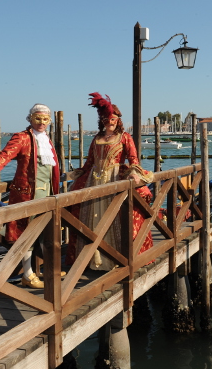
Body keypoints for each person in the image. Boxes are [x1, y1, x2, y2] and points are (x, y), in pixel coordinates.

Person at [0, 103, 60, 288]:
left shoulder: (47, 139)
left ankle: (45, 269)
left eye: (45, 119)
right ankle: (28, 274)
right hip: (27, 195)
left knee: (44, 232)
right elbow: (3, 158)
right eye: (37, 119)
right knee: (25, 234)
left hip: (47, 193)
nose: (41, 123)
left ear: (50, 121)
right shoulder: (22, 138)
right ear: (30, 119)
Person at [65, 92, 153, 270]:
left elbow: (133, 160)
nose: (110, 122)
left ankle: (115, 258)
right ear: (101, 120)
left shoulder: (125, 138)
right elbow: (88, 163)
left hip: (115, 181)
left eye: (112, 119)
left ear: (118, 120)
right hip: (94, 180)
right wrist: (70, 176)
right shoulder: (96, 139)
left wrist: (133, 173)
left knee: (115, 218)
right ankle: (91, 259)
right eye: (106, 119)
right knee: (90, 219)